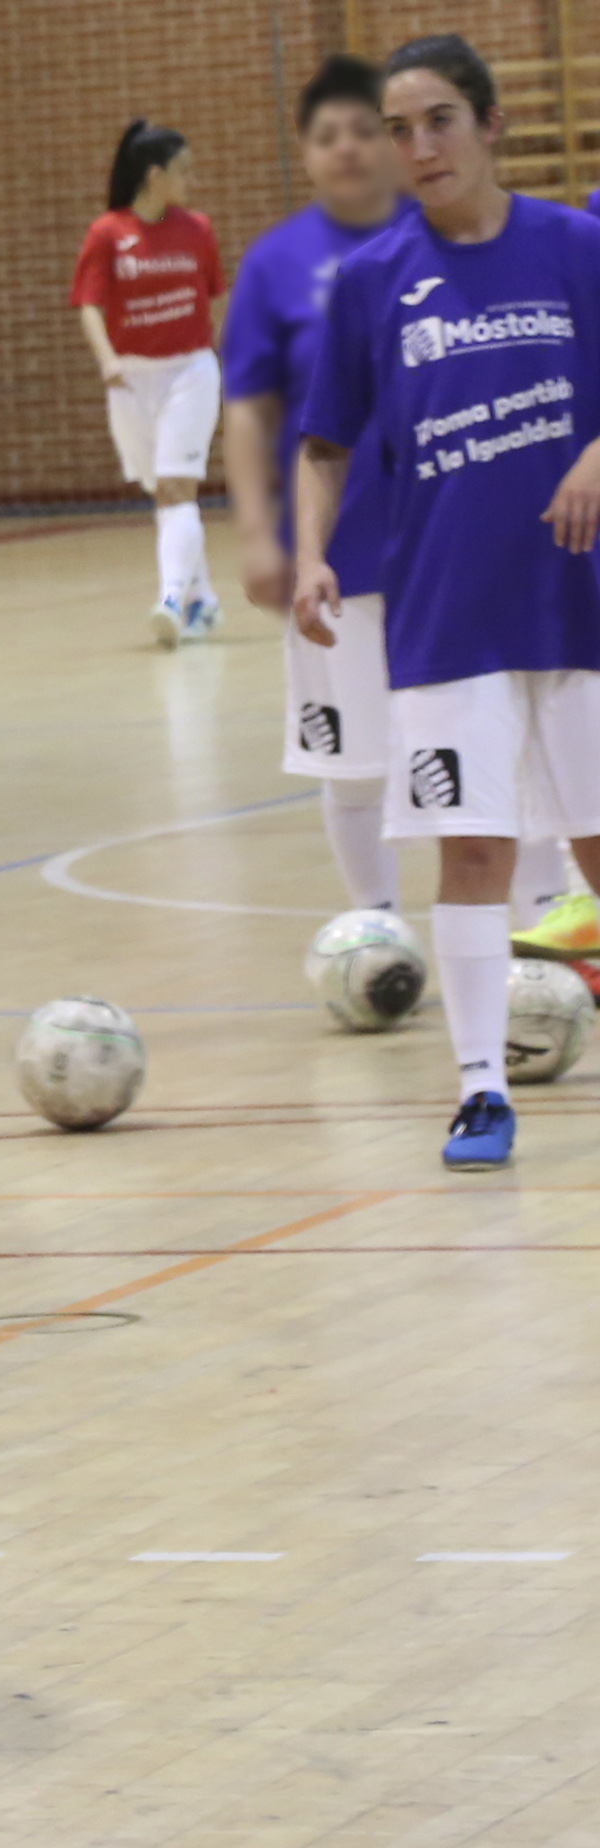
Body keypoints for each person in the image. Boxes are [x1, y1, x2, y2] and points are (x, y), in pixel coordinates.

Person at [295, 33, 600, 1170]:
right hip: (445, 611)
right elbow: (323, 442)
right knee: (472, 853)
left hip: (579, 600)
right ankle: (479, 1091)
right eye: (399, 129)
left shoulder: (576, 247)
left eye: (439, 122)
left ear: (491, 125)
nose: (418, 147)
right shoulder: (373, 280)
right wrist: (312, 554)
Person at [229, 59, 576, 934]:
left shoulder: (526, 241)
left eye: (432, 123)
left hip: (491, 558)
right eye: (339, 135)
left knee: (525, 763)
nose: (379, 148)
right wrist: (272, 540)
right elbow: (272, 415)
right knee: (363, 764)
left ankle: (543, 921)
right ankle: (377, 928)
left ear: (483, 125)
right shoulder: (308, 268)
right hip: (366, 558)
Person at [73, 119, 227, 648]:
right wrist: (108, 361)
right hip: (132, 378)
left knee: (178, 487)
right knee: (162, 492)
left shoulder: (198, 229)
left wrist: (212, 353)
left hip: (190, 371)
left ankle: (171, 600)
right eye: (184, 171)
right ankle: (203, 600)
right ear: (153, 175)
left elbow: (217, 297)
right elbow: (88, 305)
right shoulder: (108, 233)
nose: (192, 180)